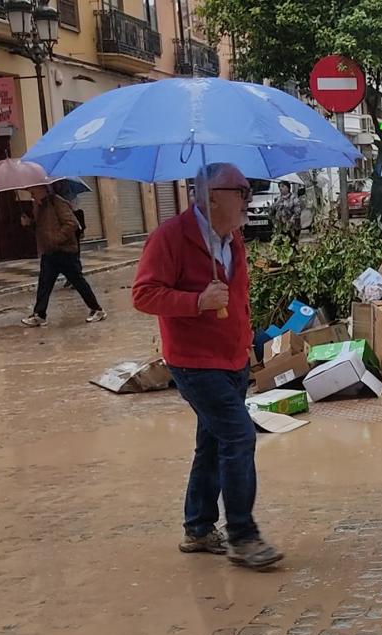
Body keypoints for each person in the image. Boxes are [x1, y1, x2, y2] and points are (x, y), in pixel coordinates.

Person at [132, 163, 283, 570]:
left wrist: (248, 347)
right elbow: (143, 295)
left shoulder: (232, 239)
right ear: (212, 196)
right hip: (194, 362)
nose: (248, 200)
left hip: (232, 357)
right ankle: (243, 536)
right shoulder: (170, 238)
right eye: (243, 192)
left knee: (213, 443)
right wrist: (196, 301)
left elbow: (240, 299)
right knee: (239, 437)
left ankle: (198, 528)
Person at [19, 183, 105, 327]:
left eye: (33, 191)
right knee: (44, 284)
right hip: (49, 252)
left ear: (42, 189)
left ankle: (97, 309)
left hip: (65, 252)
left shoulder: (57, 202)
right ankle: (39, 315)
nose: (31, 194)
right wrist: (29, 224)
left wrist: (56, 239)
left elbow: (71, 224)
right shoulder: (38, 207)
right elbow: (41, 231)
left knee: (78, 281)